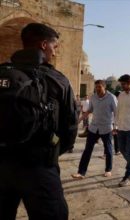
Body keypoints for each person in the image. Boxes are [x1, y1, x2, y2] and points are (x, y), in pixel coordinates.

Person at [0, 23, 78, 220]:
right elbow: (70, 128)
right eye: (54, 46)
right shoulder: (57, 80)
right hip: (39, 167)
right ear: (44, 45)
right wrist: (52, 152)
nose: (55, 51)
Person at [72, 80, 117, 179]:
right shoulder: (93, 97)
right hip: (94, 127)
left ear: (104, 87)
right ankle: (81, 172)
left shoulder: (111, 98)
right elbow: (89, 110)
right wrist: (79, 120)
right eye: (96, 87)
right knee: (87, 150)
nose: (97, 89)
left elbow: (116, 112)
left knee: (108, 149)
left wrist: (116, 127)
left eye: (99, 87)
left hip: (106, 127)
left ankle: (108, 170)